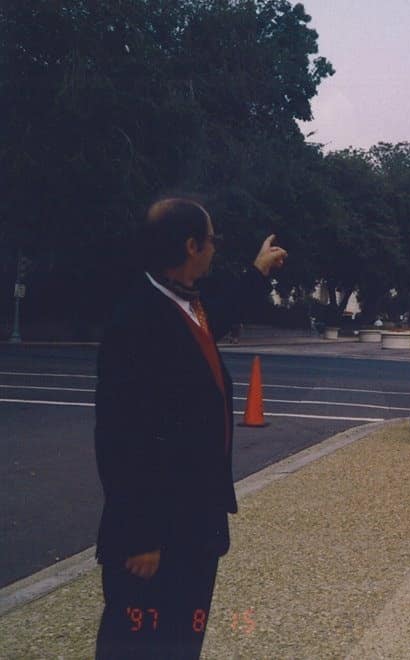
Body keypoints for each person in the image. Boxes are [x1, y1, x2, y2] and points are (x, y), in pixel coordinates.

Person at [93, 198, 286, 659]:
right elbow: (120, 437)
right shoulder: (137, 319)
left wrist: (257, 273)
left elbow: (211, 323)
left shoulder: (182, 305)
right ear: (190, 245)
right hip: (155, 534)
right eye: (212, 239)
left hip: (192, 524)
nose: (215, 248)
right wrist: (138, 536)